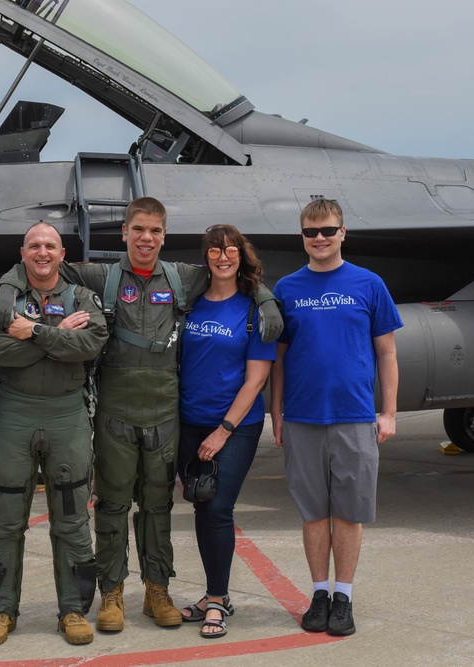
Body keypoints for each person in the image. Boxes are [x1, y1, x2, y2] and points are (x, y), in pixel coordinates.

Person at [0, 197, 283, 633]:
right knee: (111, 505)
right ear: (125, 232)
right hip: (115, 411)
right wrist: (9, 290)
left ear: (164, 235)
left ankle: (156, 589)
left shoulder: (183, 278)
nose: (147, 238)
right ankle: (112, 593)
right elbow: (41, 267)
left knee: (158, 506)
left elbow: (232, 271)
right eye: (139, 229)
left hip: (165, 411)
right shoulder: (102, 277)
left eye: (155, 231)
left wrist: (265, 298)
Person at [270, 198, 402, 637]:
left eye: (328, 230)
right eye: (311, 232)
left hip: (355, 416)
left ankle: (343, 596)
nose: (320, 239)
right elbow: (279, 357)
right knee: (313, 513)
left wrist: (389, 411)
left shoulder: (369, 284)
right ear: (302, 237)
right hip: (304, 417)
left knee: (348, 513)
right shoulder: (287, 288)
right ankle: (320, 593)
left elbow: (387, 351)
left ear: (343, 232)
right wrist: (277, 412)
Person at [0, 223, 109, 646]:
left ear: (62, 253)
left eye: (50, 245)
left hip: (68, 415)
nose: (42, 251)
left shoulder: (83, 298)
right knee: (5, 521)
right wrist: (58, 336)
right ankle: (1, 611)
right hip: (14, 415)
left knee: (71, 518)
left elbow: (92, 344)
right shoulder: (2, 298)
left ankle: (72, 610)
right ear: (23, 251)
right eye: (34, 245)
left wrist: (32, 331)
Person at [177, 224, 275, 639]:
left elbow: (255, 381)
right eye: (215, 250)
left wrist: (222, 431)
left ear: (241, 255)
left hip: (234, 426)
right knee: (200, 504)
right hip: (187, 421)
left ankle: (217, 598)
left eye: (231, 250)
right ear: (206, 257)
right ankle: (212, 595)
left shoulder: (255, 309)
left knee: (217, 508)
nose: (222, 257)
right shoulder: (191, 303)